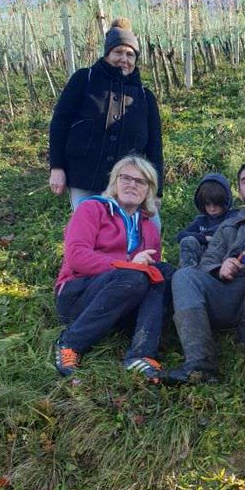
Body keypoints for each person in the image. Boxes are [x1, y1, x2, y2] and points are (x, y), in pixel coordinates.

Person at [167, 162, 245, 383]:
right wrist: (220, 268)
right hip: (233, 294)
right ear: (240, 192)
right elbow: (206, 263)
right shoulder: (229, 226)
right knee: (184, 276)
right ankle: (200, 364)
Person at [53, 155, 173, 382]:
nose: (132, 184)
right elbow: (77, 257)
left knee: (162, 273)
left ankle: (141, 353)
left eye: (140, 181)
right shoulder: (92, 209)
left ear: (148, 190)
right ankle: (70, 343)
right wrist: (128, 266)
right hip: (77, 295)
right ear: (114, 182)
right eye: (125, 178)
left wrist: (141, 269)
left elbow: (150, 273)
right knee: (135, 276)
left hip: (121, 300)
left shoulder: (148, 226)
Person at [49, 18, 163, 220]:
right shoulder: (85, 79)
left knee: (148, 231)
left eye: (130, 55)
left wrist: (157, 191)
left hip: (130, 184)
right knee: (92, 234)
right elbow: (60, 123)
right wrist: (57, 167)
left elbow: (155, 147)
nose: (124, 59)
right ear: (107, 53)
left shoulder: (145, 97)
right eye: (118, 52)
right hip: (85, 179)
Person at [176, 173, 235, 267]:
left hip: (223, 262)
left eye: (216, 204)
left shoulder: (232, 217)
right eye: (208, 204)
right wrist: (204, 238)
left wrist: (204, 236)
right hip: (199, 263)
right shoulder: (201, 220)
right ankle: (188, 273)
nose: (212, 209)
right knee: (188, 241)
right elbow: (181, 235)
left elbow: (222, 233)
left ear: (225, 201)